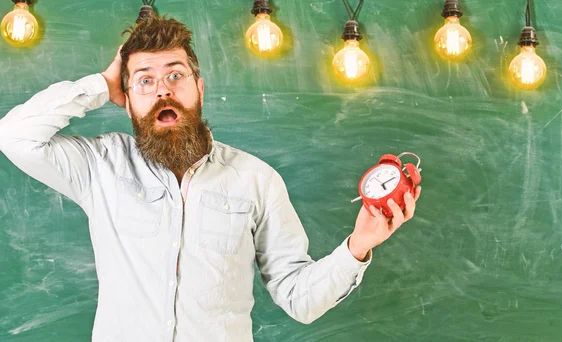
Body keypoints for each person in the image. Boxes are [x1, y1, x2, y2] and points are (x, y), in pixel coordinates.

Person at [0, 13, 420, 342]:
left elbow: (299, 299)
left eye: (175, 75)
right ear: (125, 101)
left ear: (199, 88)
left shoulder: (256, 180)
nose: (163, 89)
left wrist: (359, 246)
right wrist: (101, 83)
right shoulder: (100, 166)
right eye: (145, 81)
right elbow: (13, 136)